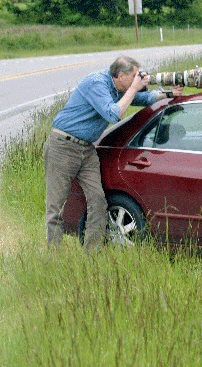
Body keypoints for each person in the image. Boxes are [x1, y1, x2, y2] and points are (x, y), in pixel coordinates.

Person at [44, 55, 184, 249]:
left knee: (98, 201)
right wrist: (135, 87)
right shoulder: (96, 84)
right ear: (119, 75)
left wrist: (169, 93)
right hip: (63, 146)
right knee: (56, 207)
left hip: (86, 149)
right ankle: (53, 255)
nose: (138, 79)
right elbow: (113, 113)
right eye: (134, 75)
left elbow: (144, 98)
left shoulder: (119, 88)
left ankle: (92, 253)